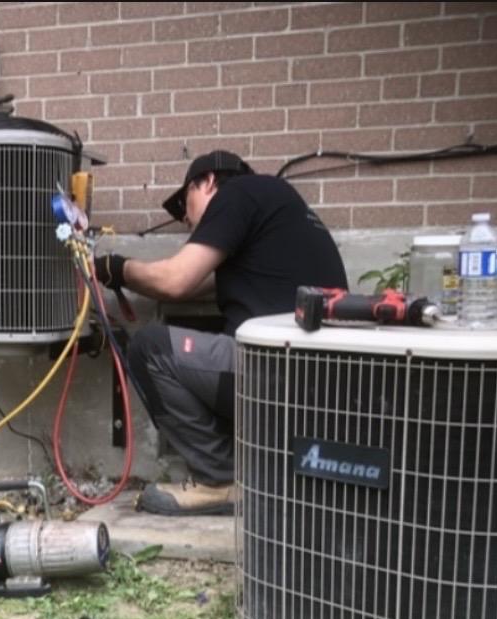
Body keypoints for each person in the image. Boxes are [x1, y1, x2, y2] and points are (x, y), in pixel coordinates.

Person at [95, 150, 347, 516]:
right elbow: (197, 283)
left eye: (186, 201)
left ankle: (219, 479)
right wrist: (136, 277)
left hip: (277, 371)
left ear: (210, 181)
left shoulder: (239, 194)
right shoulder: (274, 207)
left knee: (149, 350)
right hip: (320, 381)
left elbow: (177, 281)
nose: (185, 217)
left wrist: (117, 268)